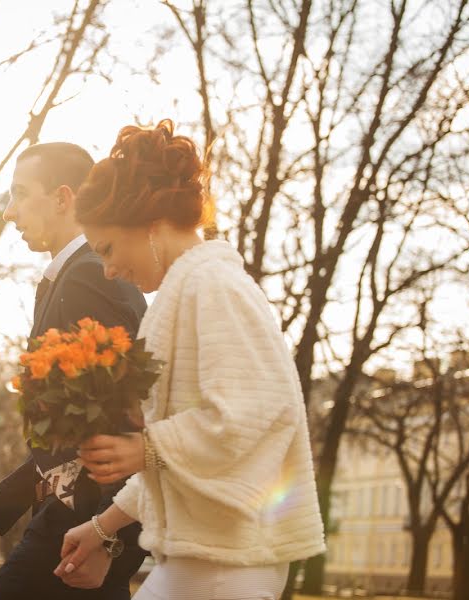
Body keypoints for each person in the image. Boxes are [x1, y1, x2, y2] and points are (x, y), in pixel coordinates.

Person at [54, 121, 326, 600]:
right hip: (205, 561)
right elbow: (185, 462)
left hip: (227, 568)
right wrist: (103, 527)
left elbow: (253, 415)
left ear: (148, 222)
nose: (111, 269)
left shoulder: (214, 287)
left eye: (109, 249)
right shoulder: (186, 294)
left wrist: (146, 448)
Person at [0, 142, 148, 599]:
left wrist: (109, 538)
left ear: (63, 198)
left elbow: (122, 422)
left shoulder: (89, 277)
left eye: (19, 193)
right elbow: (68, 438)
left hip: (76, 534)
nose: (9, 213)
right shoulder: (75, 276)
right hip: (78, 530)